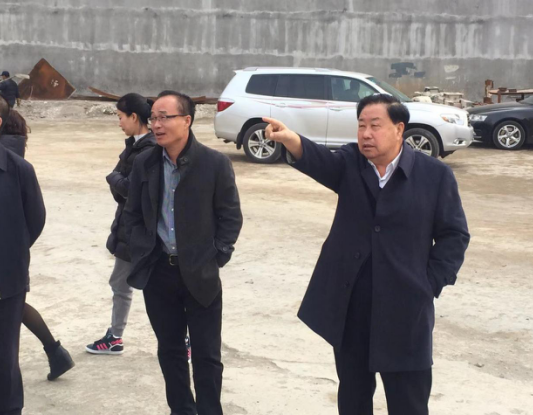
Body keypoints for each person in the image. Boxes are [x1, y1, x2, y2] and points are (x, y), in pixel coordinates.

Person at [263, 94, 470, 415]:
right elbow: (320, 159)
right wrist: (291, 139)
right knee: (353, 396)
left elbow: (454, 235)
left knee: (409, 401)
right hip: (352, 304)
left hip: (405, 308)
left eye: (375, 126)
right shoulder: (350, 163)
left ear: (399, 129)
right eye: (361, 126)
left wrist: (428, 283)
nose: (366, 134)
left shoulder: (434, 175)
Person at [123, 90, 243, 415]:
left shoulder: (214, 163)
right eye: (153, 118)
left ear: (187, 120)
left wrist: (216, 256)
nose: (157, 125)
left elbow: (230, 216)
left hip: (201, 273)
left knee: (207, 355)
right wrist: (142, 250)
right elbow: (132, 214)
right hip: (159, 271)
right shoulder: (145, 162)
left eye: (165, 117)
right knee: (170, 351)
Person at [0, 109, 75, 381]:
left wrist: (12, 244)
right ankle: (55, 352)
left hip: (4, 252)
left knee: (11, 306)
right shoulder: (15, 152)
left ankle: (54, 352)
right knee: (14, 305)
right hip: (11, 250)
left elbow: (35, 216)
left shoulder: (6, 159)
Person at [86, 93, 156, 355]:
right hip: (127, 229)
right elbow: (122, 190)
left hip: (145, 232)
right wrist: (118, 182)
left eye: (120, 117)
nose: (119, 122)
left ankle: (184, 340)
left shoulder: (149, 150)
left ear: (134, 117)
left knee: (160, 289)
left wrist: (114, 179)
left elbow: (129, 189)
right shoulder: (133, 146)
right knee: (120, 284)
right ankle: (115, 337)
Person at [0, 87, 45, 414]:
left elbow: (34, 220)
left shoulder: (17, 170)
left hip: (1, 275)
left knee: (1, 357)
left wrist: (9, 252)